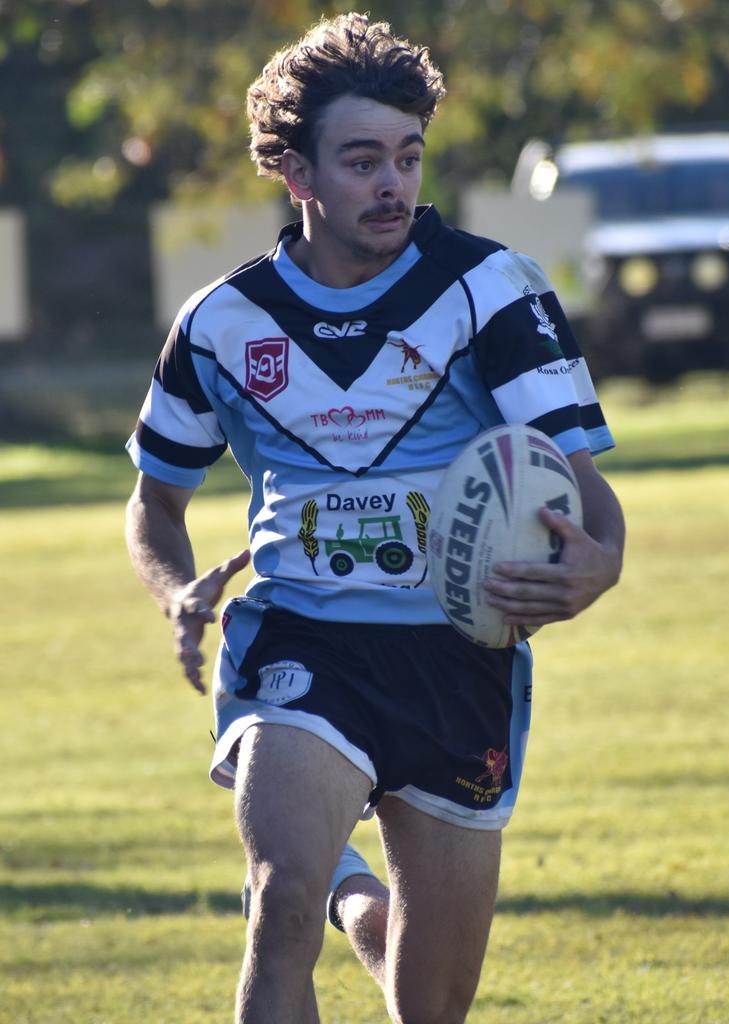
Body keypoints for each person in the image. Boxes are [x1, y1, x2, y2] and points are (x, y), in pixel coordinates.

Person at [125, 12, 625, 1023]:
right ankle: (326, 887)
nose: (393, 182)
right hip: (302, 639)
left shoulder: (490, 291)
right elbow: (156, 503)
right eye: (362, 161)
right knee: (281, 906)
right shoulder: (222, 325)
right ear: (297, 171)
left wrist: (596, 567)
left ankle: (362, 894)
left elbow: (587, 494)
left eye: (408, 155)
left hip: (458, 654)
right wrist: (177, 589)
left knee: (427, 1004)